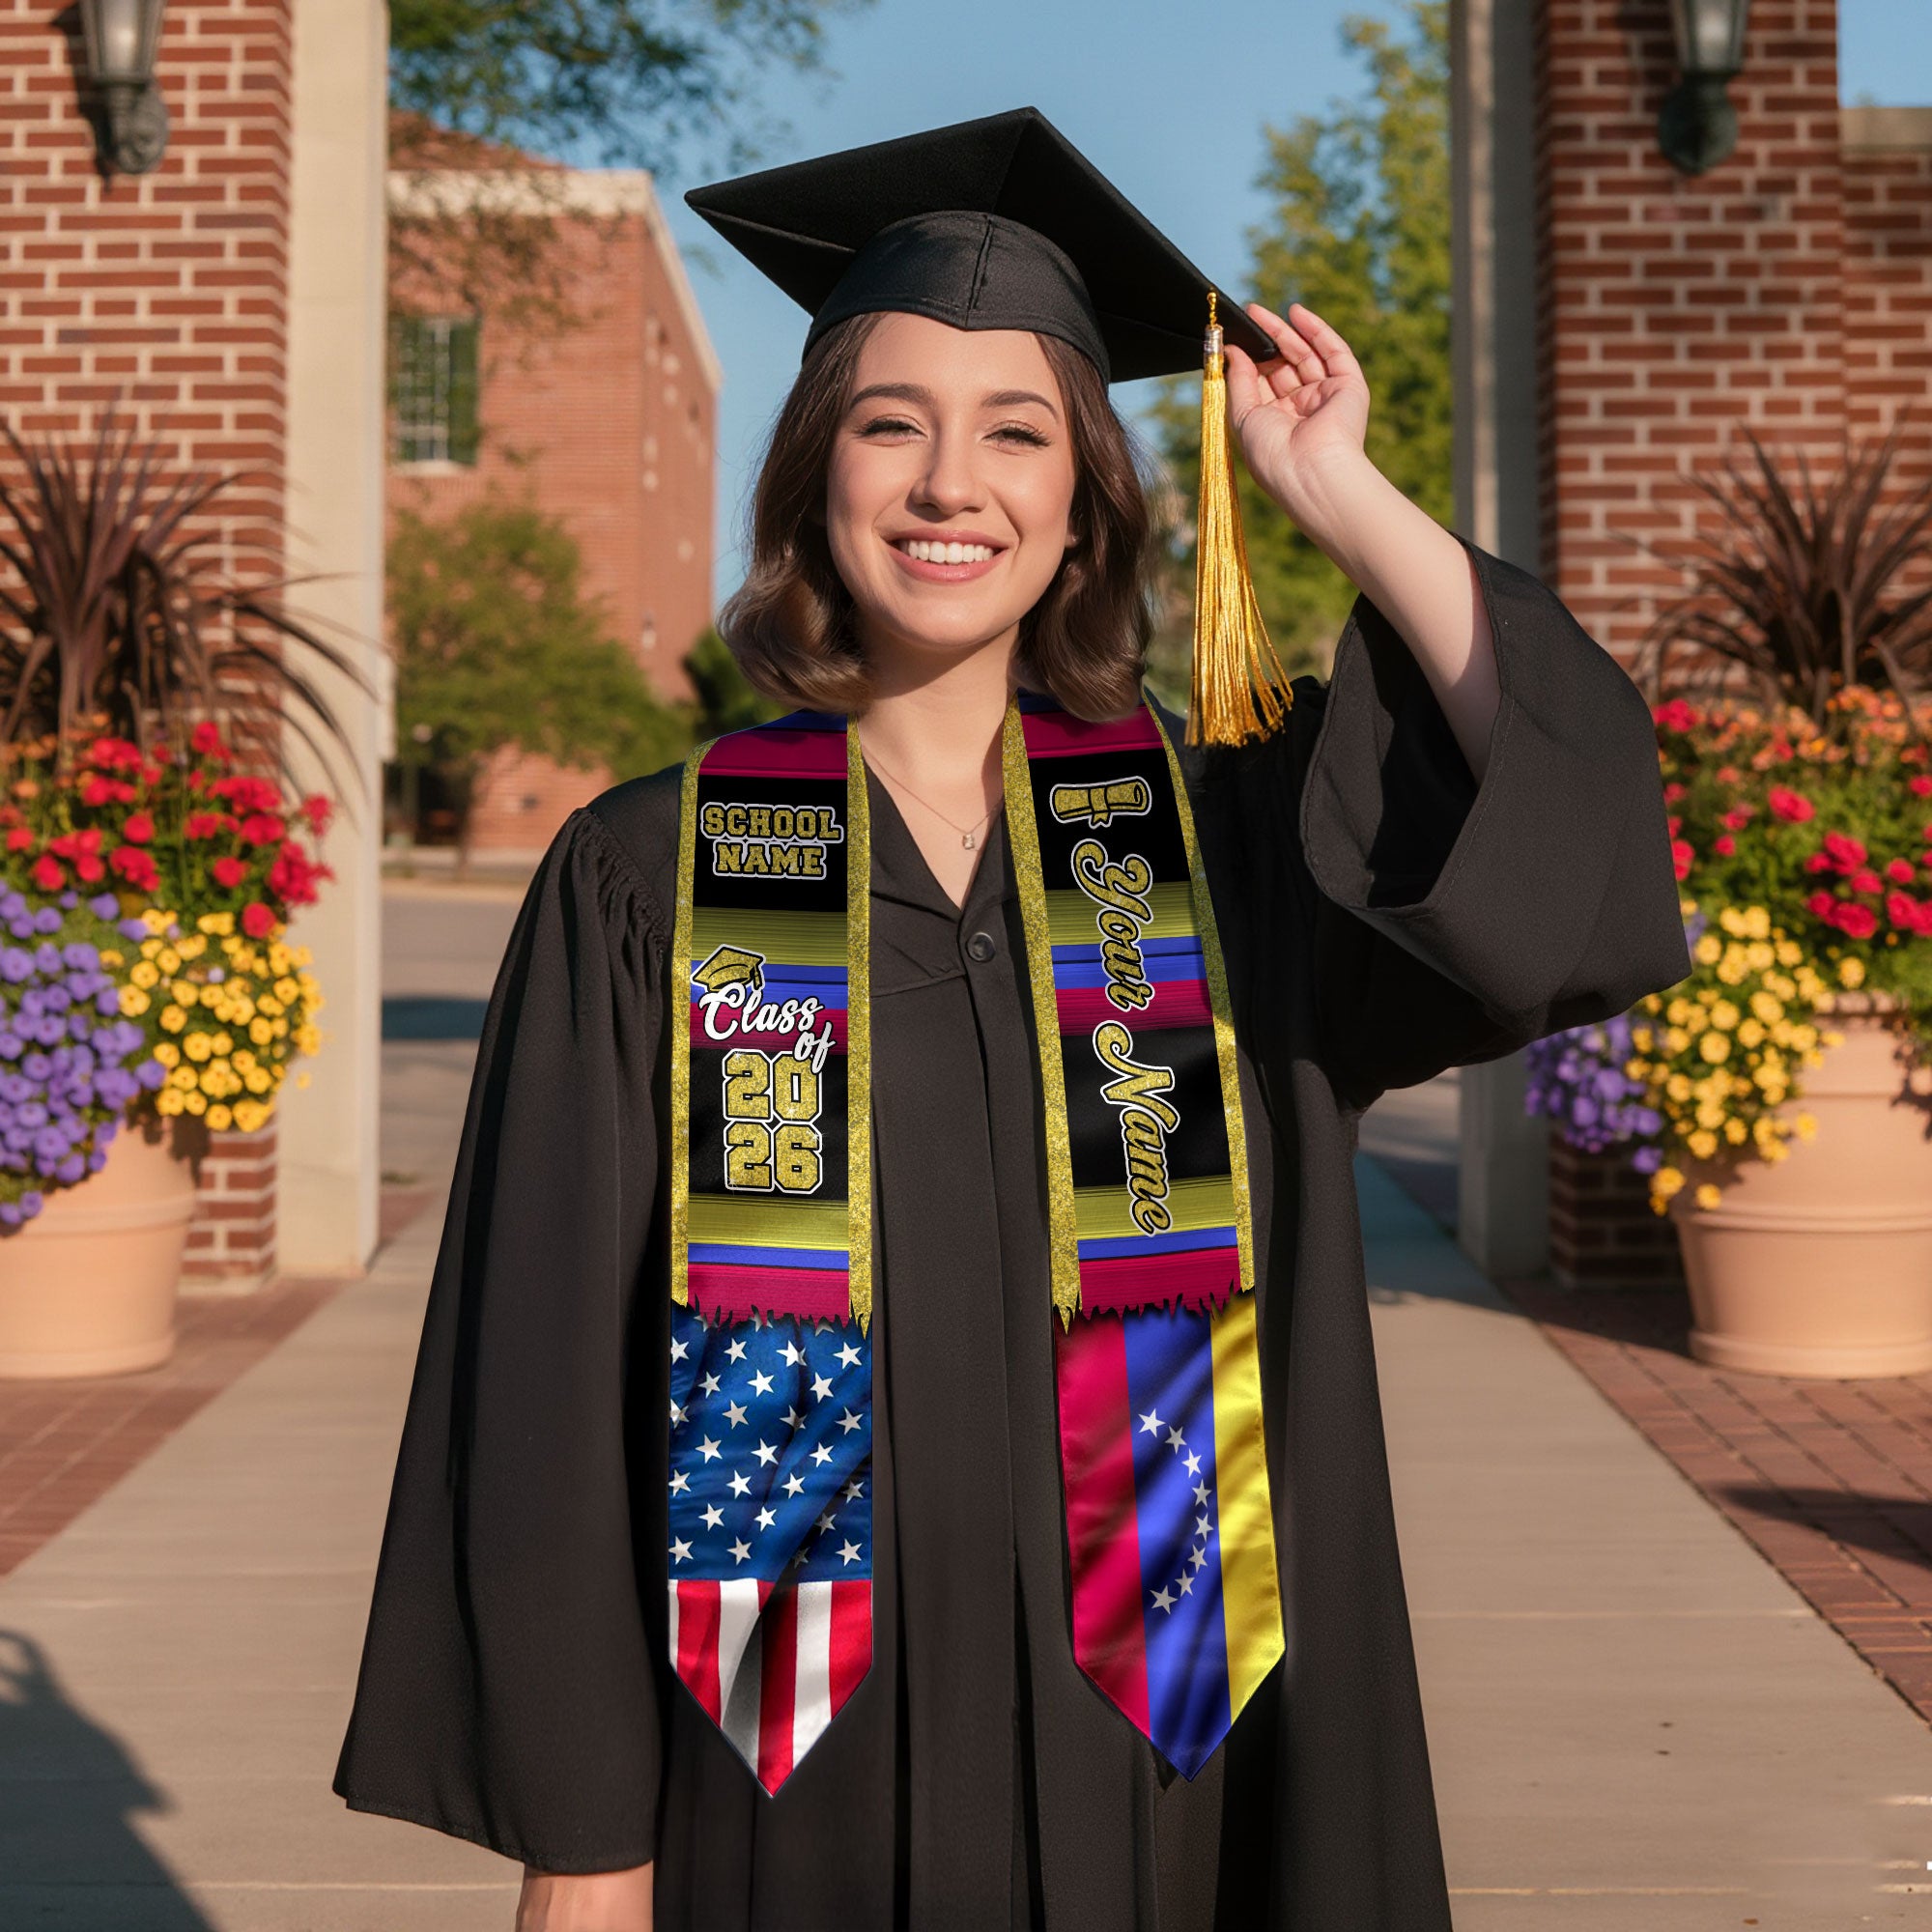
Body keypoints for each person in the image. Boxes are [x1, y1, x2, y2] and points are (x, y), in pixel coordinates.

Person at [332, 108, 1690, 1932]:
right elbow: (545, 1381)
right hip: (782, 1778)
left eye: (1017, 432)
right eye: (892, 424)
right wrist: (584, 1844)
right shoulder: (653, 877)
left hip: (1179, 1770)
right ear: (816, 472)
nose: (949, 485)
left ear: (1084, 501)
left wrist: (1336, 491)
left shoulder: (1227, 851)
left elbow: (1562, 837)